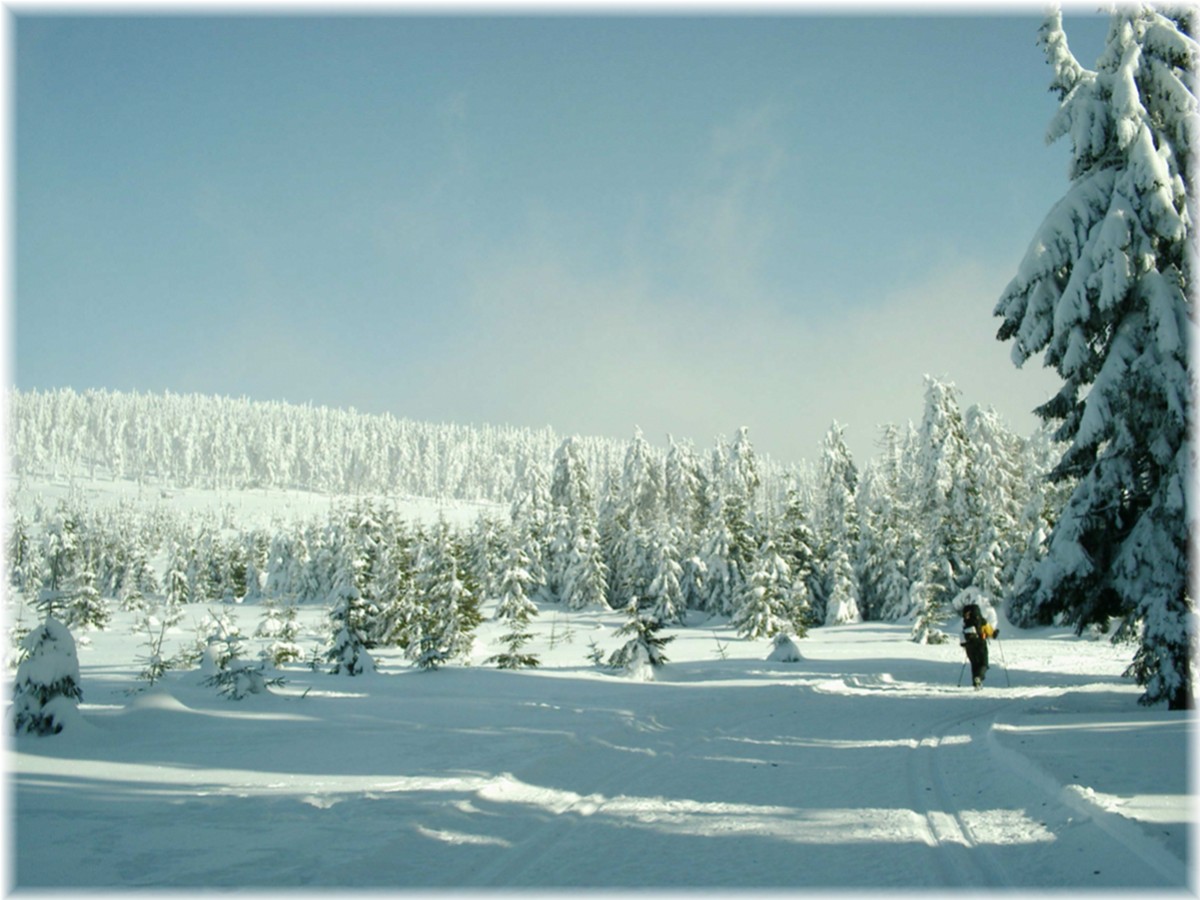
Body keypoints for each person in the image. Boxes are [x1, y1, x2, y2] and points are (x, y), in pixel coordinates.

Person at [960, 603, 997, 689]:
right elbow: (991, 633)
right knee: (984, 663)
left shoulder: (966, 622)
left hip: (969, 646)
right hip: (980, 644)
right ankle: (979, 678)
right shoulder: (982, 621)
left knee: (974, 664)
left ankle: (976, 683)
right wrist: (995, 633)